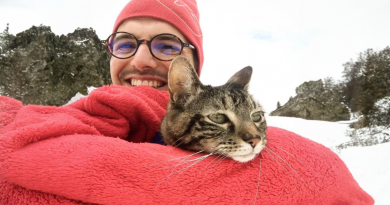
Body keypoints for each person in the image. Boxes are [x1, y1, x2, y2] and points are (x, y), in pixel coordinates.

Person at [0, 0, 374, 204]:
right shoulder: (59, 118)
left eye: (165, 45)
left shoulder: (293, 156)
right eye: (126, 43)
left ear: (190, 68)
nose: (142, 60)